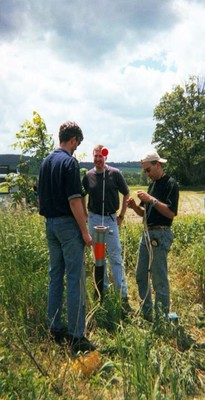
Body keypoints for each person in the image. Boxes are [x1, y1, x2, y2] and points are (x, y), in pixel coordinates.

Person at [38, 121, 95, 353]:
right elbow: (74, 200)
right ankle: (75, 335)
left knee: (55, 276)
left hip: (50, 225)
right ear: (72, 140)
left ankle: (54, 328)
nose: (76, 148)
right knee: (75, 279)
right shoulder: (69, 162)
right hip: (67, 226)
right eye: (77, 144)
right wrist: (84, 231)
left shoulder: (45, 162)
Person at [127, 152, 179, 322]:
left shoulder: (170, 184)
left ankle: (162, 318)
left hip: (161, 234)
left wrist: (152, 200)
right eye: (145, 172)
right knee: (141, 274)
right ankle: (147, 313)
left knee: (159, 277)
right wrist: (135, 206)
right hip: (147, 233)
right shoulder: (152, 185)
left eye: (148, 170)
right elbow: (145, 213)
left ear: (157, 164)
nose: (147, 174)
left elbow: (171, 213)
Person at [82, 145, 131, 312]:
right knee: (98, 257)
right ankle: (102, 293)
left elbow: (126, 193)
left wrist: (121, 216)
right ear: (93, 157)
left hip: (111, 219)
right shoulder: (88, 176)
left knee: (115, 257)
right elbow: (82, 195)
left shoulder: (115, 174)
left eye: (101, 156)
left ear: (106, 158)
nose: (98, 159)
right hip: (94, 218)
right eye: (95, 156)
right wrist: (85, 215)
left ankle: (122, 297)